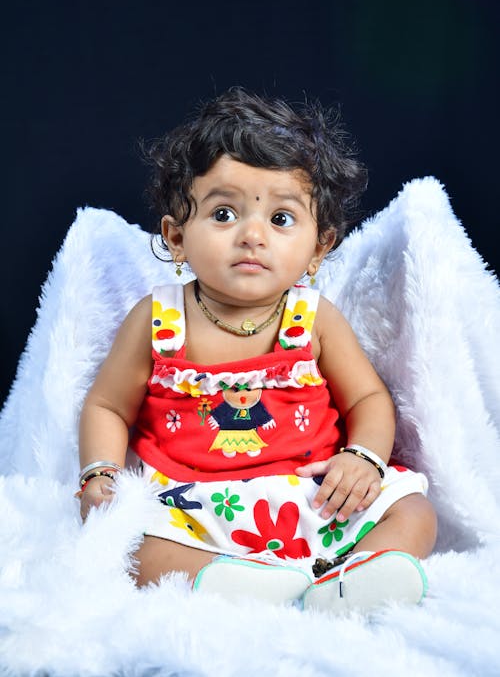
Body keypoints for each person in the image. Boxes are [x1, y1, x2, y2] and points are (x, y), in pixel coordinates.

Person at [77, 88, 437, 614]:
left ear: (319, 247)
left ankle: (354, 581)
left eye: (281, 219)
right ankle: (236, 587)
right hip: (193, 507)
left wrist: (363, 458)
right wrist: (100, 474)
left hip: (313, 495)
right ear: (177, 238)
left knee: (414, 510)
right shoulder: (158, 318)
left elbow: (367, 399)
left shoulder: (312, 319)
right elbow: (108, 405)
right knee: (132, 547)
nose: (252, 235)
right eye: (224, 213)